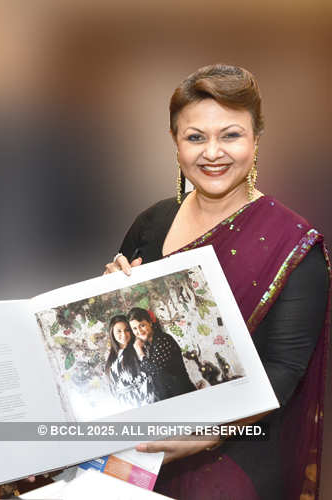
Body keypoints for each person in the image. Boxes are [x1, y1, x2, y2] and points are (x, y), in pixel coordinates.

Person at [104, 64, 330, 499]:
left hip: (238, 444)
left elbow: (284, 371)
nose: (213, 153)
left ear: (256, 139)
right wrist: (115, 289)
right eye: (195, 137)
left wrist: (204, 435)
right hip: (138, 431)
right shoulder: (151, 222)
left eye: (231, 135)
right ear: (175, 143)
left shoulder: (294, 244)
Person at [127, 307, 196, 401]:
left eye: (142, 325)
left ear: (150, 323)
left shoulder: (163, 339)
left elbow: (154, 370)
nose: (139, 331)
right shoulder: (148, 345)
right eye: (135, 328)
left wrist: (139, 351)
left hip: (182, 394)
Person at [105, 314, 155, 407]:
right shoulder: (111, 358)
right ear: (112, 333)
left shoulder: (138, 348)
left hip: (144, 401)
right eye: (119, 331)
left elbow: (148, 376)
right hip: (126, 406)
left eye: (127, 330)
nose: (123, 334)